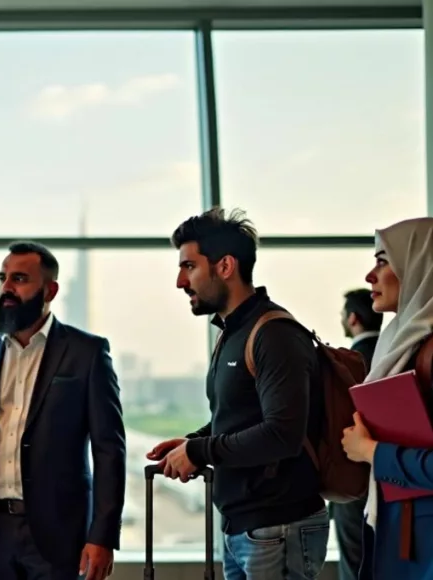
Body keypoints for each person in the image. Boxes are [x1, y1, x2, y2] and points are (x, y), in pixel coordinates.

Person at [149, 208, 329, 580]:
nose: (181, 281)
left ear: (225, 266)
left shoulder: (274, 334)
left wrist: (199, 451)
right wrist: (194, 441)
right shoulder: (233, 333)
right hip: (245, 526)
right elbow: (240, 415)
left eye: (189, 267)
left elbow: (282, 434)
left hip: (277, 526)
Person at [0, 241, 125, 580]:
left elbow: (109, 450)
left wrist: (102, 536)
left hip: (60, 533)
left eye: (20, 279)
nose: (7, 288)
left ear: (50, 289)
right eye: (3, 278)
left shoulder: (86, 352)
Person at [341, 217, 433, 580]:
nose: (370, 276)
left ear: (420, 265)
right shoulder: (402, 344)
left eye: (383, 260)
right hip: (405, 534)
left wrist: (372, 452)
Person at [330, 288, 382, 580]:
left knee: (355, 566)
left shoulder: (348, 363)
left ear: (353, 319)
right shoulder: (399, 353)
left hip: (354, 481)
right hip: (395, 477)